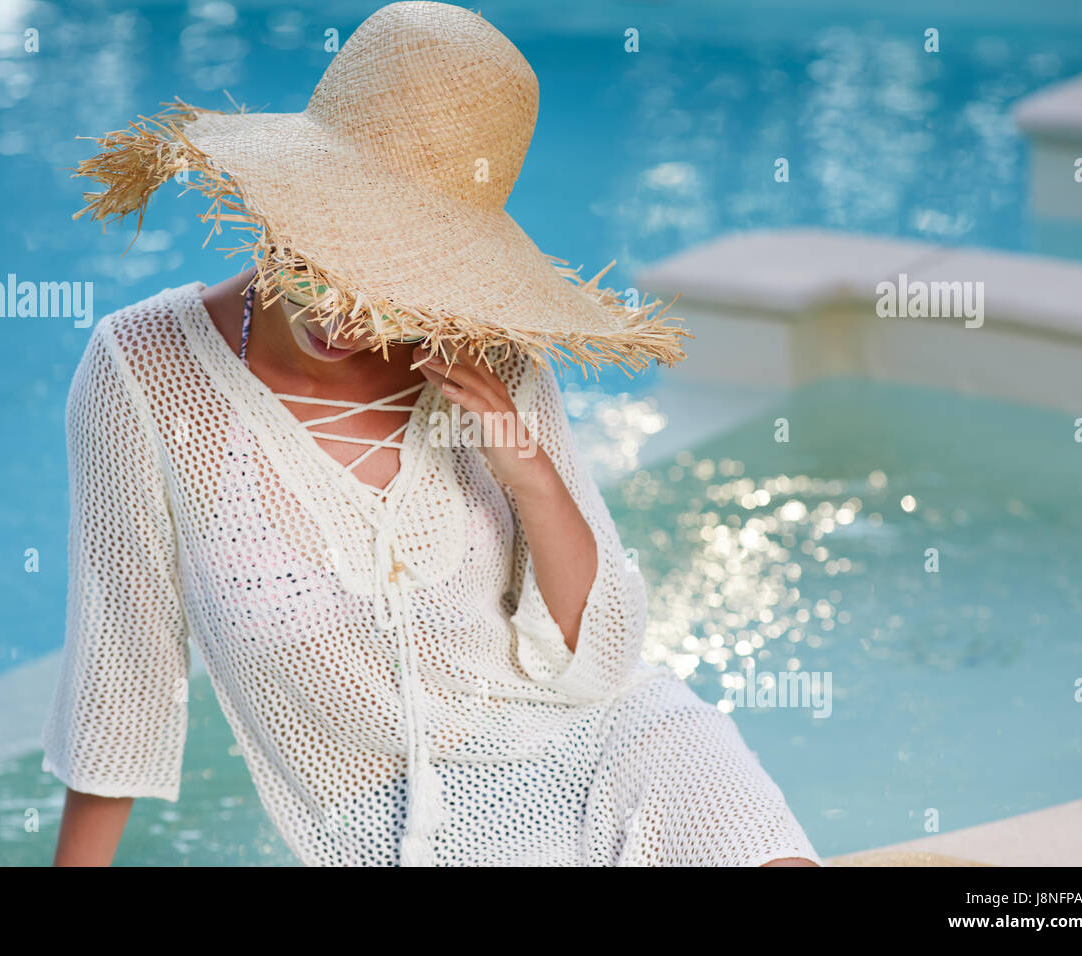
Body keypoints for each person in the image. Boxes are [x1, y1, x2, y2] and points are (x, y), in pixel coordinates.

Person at [42, 1, 820, 867]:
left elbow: (596, 663)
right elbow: (125, 668)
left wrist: (529, 471)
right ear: (280, 202)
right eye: (320, 256)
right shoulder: (145, 371)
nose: (340, 316)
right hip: (387, 827)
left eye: (390, 283)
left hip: (616, 749)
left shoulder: (490, 361)